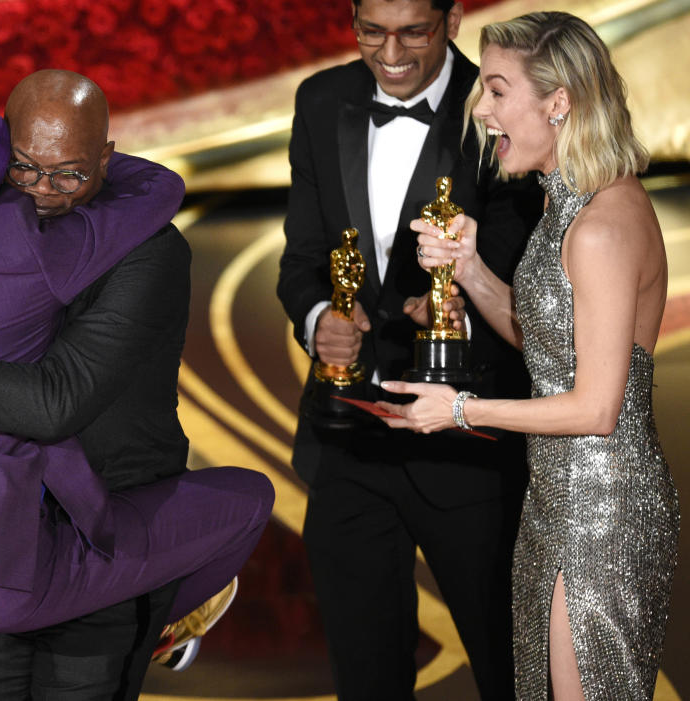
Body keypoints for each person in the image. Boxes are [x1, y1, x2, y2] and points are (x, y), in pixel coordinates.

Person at [0, 80, 273, 700]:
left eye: (68, 176)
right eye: (24, 168)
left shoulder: (149, 251)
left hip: (105, 529)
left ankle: (173, 606)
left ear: (106, 160)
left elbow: (54, 401)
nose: (40, 192)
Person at [377, 12, 680, 699]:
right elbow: (549, 344)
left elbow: (597, 408)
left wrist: (456, 408)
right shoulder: (567, 207)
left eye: (495, 90)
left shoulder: (601, 226)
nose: (481, 110)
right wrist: (471, 266)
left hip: (600, 511)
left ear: (559, 101)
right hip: (560, 497)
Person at [276, 0, 544, 697]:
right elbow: (301, 257)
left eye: (414, 31)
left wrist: (466, 309)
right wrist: (315, 320)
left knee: (514, 672)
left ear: (453, 19)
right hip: (347, 438)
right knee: (366, 679)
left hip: (469, 441)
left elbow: (530, 273)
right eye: (372, 30)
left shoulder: (498, 102)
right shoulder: (321, 99)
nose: (390, 51)